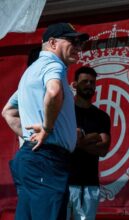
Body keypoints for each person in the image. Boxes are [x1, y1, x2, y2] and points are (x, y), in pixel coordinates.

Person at [2, 23, 89, 220]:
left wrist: (32, 136)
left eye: (80, 43)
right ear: (52, 43)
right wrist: (47, 130)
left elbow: (8, 112)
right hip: (46, 160)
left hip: (33, 160)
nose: (78, 46)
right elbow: (54, 92)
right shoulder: (53, 65)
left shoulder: (30, 72)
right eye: (72, 41)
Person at [67, 66, 111, 220]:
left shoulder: (102, 116)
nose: (89, 85)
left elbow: (104, 148)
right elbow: (64, 144)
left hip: (90, 184)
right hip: (65, 183)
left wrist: (78, 142)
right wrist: (94, 137)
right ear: (74, 84)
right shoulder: (65, 113)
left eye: (92, 82)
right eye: (84, 81)